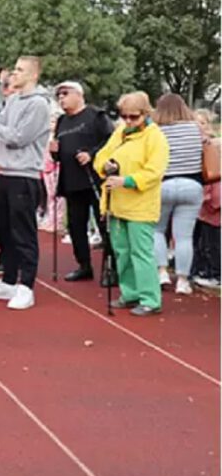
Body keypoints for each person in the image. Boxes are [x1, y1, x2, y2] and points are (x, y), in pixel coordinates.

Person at [0, 56, 51, 310]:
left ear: (34, 75)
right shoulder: (13, 100)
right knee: (3, 228)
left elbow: (17, 137)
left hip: (24, 175)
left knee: (23, 232)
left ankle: (26, 285)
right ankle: (8, 279)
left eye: (19, 70)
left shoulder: (38, 104)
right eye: (14, 69)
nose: (13, 74)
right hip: (4, 173)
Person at [94, 92, 169, 315]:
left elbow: (155, 171)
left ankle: (150, 299)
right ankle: (130, 293)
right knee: (122, 252)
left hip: (140, 206)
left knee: (141, 252)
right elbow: (102, 155)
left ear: (146, 114)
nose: (127, 121)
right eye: (124, 116)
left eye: (133, 117)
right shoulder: (120, 132)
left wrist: (128, 180)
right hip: (116, 204)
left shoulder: (155, 138)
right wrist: (104, 166)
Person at [50, 81, 115, 282]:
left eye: (65, 94)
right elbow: (60, 153)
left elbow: (111, 142)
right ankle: (84, 265)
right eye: (59, 95)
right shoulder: (61, 121)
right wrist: (55, 153)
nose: (61, 98)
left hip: (95, 180)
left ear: (79, 95)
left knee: (104, 224)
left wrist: (92, 154)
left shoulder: (96, 116)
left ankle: (111, 268)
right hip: (71, 181)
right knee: (76, 225)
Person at [151, 93, 203, 295]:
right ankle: (183, 280)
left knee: (157, 231)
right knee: (184, 237)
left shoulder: (155, 130)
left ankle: (161, 271)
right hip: (192, 183)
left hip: (163, 184)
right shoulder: (195, 129)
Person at [192, 109, 220, 289]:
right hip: (202, 199)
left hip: (212, 198)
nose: (198, 127)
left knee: (213, 239)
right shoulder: (194, 145)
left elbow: (213, 173)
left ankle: (216, 273)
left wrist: (209, 197)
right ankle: (202, 268)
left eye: (201, 123)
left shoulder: (213, 145)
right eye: (195, 123)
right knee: (201, 238)